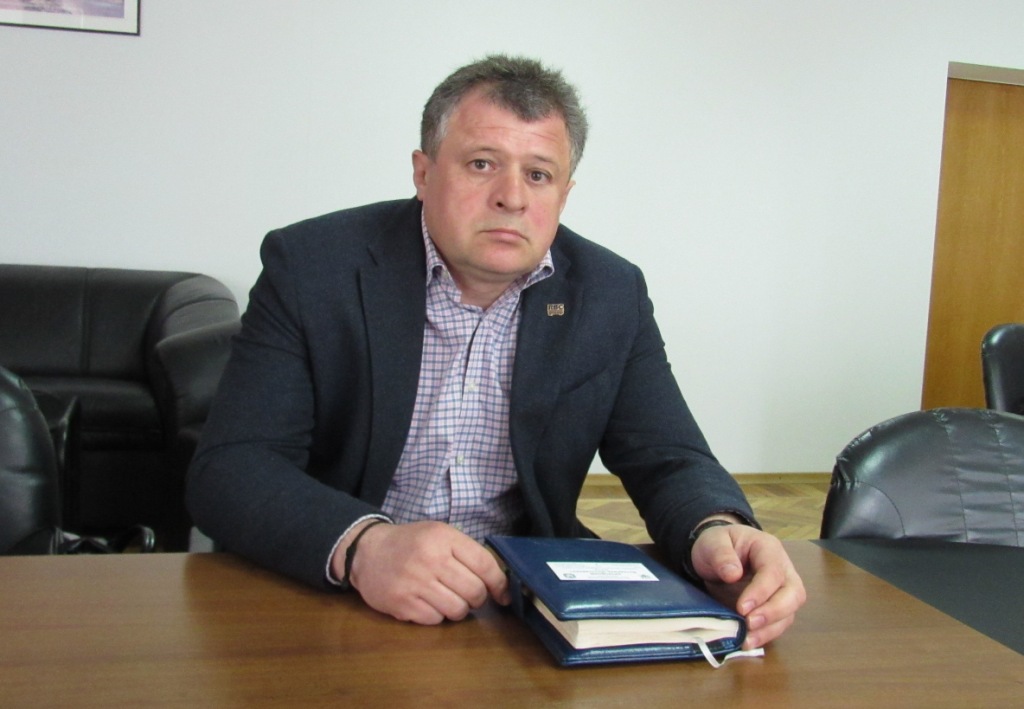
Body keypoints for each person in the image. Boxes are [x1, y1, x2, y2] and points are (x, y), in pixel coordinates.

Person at [186, 54, 805, 650]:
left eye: (538, 174)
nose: (512, 197)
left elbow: (667, 456)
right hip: (344, 595)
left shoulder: (609, 293)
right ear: (423, 173)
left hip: (521, 602)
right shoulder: (314, 267)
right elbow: (234, 466)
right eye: (482, 164)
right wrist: (363, 546)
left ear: (564, 194)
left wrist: (716, 529)